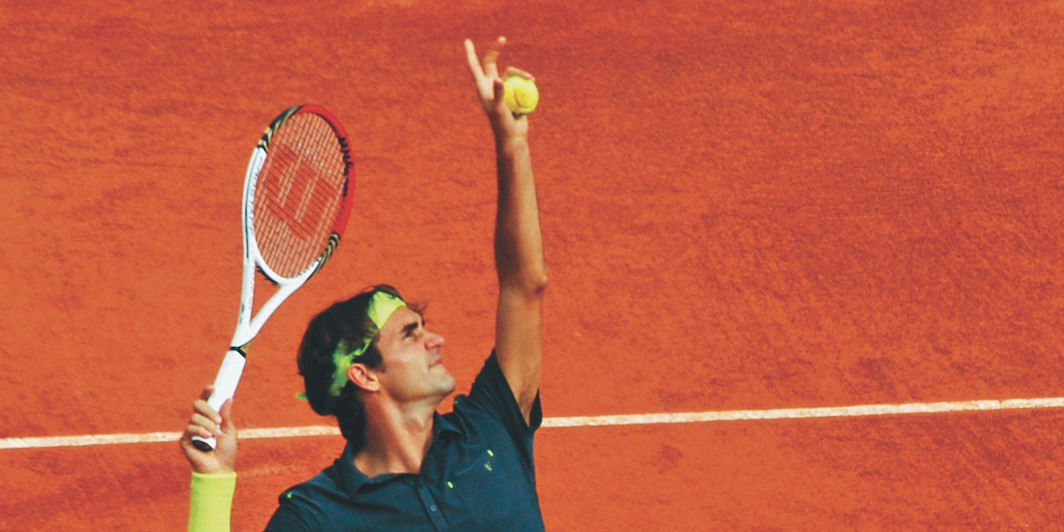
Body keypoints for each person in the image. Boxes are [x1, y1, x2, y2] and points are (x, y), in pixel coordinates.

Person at [179, 36, 548, 532]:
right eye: (410, 334)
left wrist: (512, 145)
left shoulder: (492, 427)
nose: (435, 340)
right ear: (364, 375)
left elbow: (524, 285)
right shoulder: (317, 517)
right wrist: (214, 481)